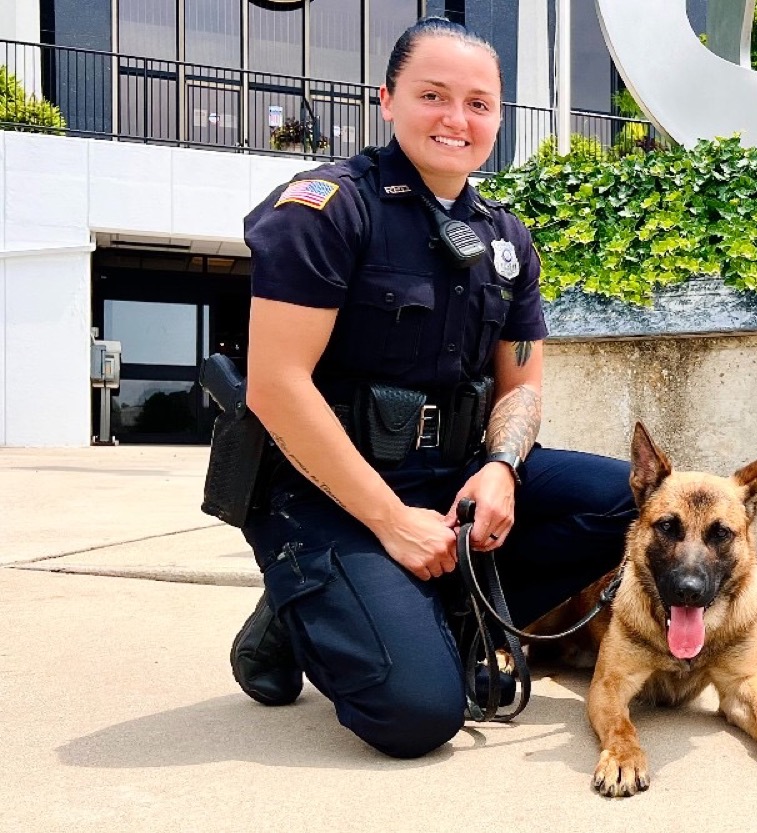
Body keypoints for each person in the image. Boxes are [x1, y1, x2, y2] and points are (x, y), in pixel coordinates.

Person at [228, 17, 635, 759]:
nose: (457, 119)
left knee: (637, 499)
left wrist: (501, 468)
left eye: (479, 103)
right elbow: (275, 387)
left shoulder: (506, 239)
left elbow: (522, 380)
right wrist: (389, 520)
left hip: (450, 474)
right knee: (419, 715)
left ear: (499, 118)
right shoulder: (330, 209)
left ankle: (435, 606)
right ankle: (297, 607)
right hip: (327, 487)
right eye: (433, 95)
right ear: (386, 99)